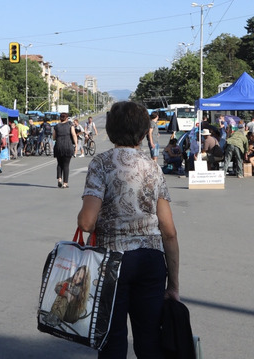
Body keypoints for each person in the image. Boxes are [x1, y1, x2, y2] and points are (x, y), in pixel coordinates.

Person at [76, 100, 180, 359]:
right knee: (150, 342)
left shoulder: (100, 164)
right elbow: (169, 231)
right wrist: (173, 284)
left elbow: (86, 223)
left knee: (112, 342)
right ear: (145, 131)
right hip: (150, 260)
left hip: (112, 263)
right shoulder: (153, 168)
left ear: (110, 131)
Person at [53, 112, 77, 188]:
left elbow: (53, 137)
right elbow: (73, 134)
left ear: (60, 118)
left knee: (59, 163)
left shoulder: (56, 126)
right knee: (66, 165)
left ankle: (59, 179)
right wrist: (76, 145)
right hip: (67, 145)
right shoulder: (70, 125)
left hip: (59, 145)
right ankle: (65, 183)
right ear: (67, 118)